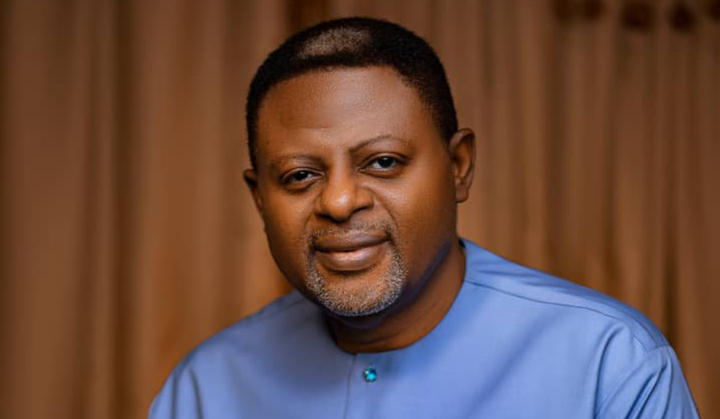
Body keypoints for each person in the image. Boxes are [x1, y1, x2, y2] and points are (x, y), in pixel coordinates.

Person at [149, 17, 699, 418]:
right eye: (299, 175)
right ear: (260, 200)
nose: (338, 202)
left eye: (383, 162)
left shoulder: (608, 362)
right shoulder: (204, 391)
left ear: (458, 168)